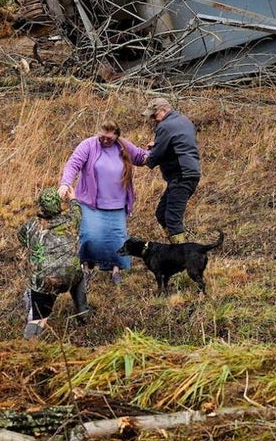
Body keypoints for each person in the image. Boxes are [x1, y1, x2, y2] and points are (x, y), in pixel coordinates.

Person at [57, 121, 148, 285]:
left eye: (110, 136)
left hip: (117, 203)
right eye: (103, 135)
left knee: (117, 239)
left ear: (116, 135)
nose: (106, 139)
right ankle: (85, 268)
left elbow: (142, 158)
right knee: (89, 236)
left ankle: (116, 271)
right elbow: (74, 164)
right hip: (91, 203)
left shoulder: (124, 146)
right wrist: (65, 183)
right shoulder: (88, 145)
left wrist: (156, 150)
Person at [17, 187, 88, 339]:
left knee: (38, 319)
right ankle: (83, 313)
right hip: (71, 276)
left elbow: (22, 239)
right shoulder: (71, 220)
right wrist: (72, 197)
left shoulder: (31, 226)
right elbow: (78, 209)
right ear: (59, 205)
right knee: (79, 274)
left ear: (41, 207)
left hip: (46, 282)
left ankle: (26, 346)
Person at [142, 97, 201, 244]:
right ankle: (175, 248)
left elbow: (156, 155)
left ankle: (182, 256)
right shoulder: (184, 121)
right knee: (161, 213)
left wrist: (142, 159)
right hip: (189, 174)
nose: (154, 119)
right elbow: (178, 143)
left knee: (172, 218)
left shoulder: (165, 126)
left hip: (182, 175)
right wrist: (157, 144)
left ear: (164, 110)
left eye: (154, 115)